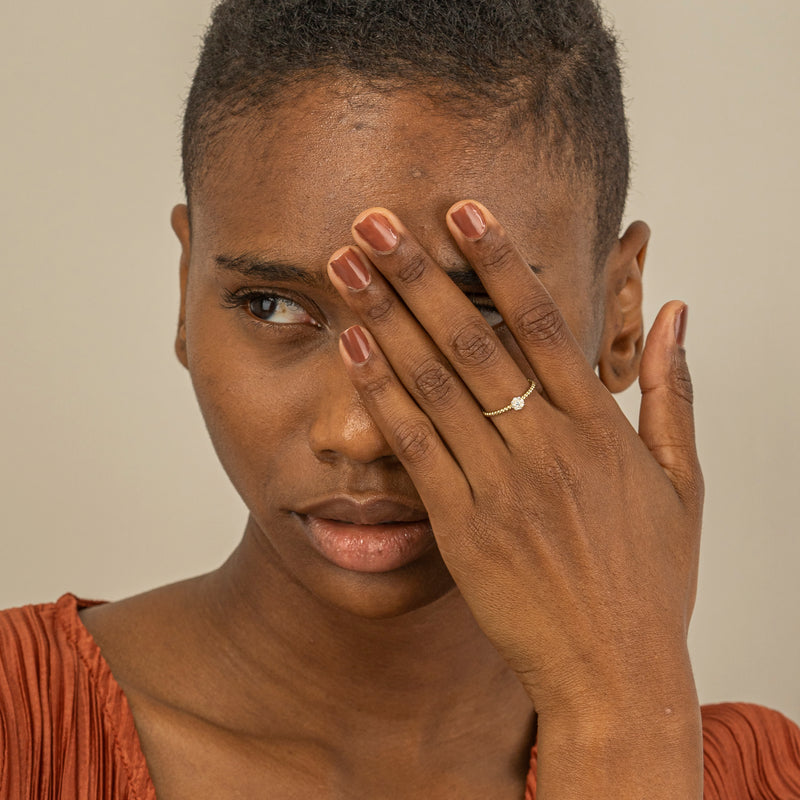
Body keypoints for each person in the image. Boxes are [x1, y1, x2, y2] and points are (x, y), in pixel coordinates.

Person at [1, 0, 799, 797]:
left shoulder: (765, 777)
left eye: (472, 318)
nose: (358, 434)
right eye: (272, 305)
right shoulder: (20, 729)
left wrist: (623, 720)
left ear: (621, 315)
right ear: (185, 295)